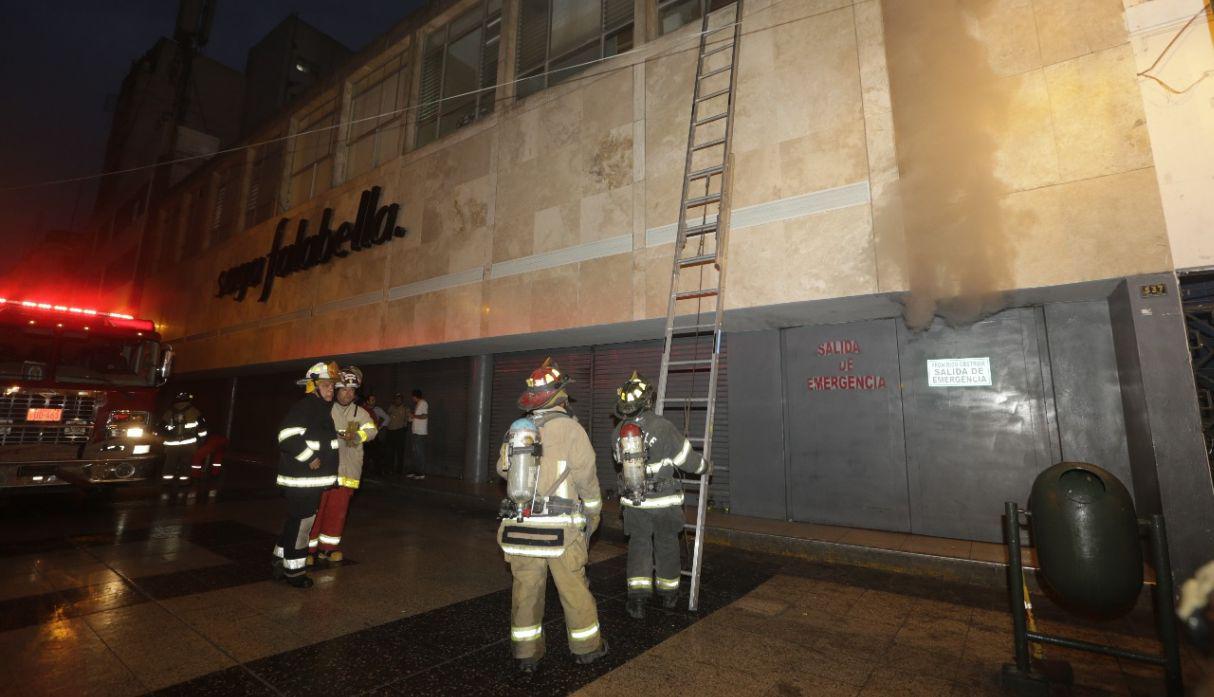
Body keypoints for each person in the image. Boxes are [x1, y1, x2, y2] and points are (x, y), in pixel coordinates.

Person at [496, 358, 607, 673]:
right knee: (573, 591)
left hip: (521, 528)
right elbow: (587, 479)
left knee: (526, 591)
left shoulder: (518, 431)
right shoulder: (572, 430)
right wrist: (594, 515)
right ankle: (587, 649)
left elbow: (502, 469)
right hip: (561, 532)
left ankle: (526, 654)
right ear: (560, 396)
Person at [613, 370, 710, 618]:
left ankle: (637, 601)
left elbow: (618, 461)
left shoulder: (619, 432)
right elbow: (688, 461)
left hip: (634, 503)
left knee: (639, 547)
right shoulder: (663, 427)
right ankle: (668, 595)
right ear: (647, 400)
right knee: (667, 545)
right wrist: (706, 467)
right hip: (665, 503)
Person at [273, 361, 341, 589]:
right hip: (302, 481)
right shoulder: (307, 406)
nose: (331, 390)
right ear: (313, 386)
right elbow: (287, 436)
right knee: (302, 525)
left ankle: (280, 558)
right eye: (326, 385)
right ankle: (295, 572)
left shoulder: (320, 408)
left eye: (332, 386)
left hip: (308, 481)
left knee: (295, 521)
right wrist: (309, 457)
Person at [308, 366, 377, 564]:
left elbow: (372, 431)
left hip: (348, 472)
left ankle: (328, 548)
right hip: (323, 471)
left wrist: (357, 436)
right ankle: (309, 549)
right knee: (316, 510)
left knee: (337, 512)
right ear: (336, 390)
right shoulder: (324, 408)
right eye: (344, 389)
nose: (347, 394)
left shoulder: (361, 413)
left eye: (351, 391)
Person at [159, 391, 207, 485]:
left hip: (171, 444)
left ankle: (167, 482)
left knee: (170, 463)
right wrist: (202, 440)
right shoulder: (194, 411)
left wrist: (165, 438)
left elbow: (161, 426)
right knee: (186, 463)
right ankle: (184, 482)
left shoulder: (169, 411)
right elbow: (202, 427)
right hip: (188, 444)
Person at [407, 388, 428, 479]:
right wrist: (412, 418)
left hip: (420, 433)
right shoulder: (418, 404)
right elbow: (419, 417)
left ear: (415, 396)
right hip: (416, 432)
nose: (412, 399)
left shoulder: (423, 403)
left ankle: (421, 473)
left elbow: (424, 416)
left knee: (419, 453)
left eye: (412, 397)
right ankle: (415, 471)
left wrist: (413, 415)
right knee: (415, 453)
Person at [385, 394, 409, 474]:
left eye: (399, 399)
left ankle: (399, 470)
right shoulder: (391, 407)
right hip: (390, 431)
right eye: (396, 399)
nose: (397, 400)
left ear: (402, 400)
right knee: (390, 451)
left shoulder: (405, 409)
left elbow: (408, 420)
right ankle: (389, 468)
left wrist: (404, 427)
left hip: (399, 432)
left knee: (399, 452)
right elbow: (387, 417)